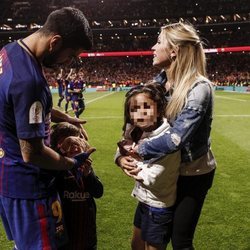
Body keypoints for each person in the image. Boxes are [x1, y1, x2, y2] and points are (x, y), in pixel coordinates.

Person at [0, 7, 95, 250]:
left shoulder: (10, 51)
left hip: (7, 177)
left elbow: (14, 107)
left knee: (24, 245)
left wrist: (65, 117)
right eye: (72, 55)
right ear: (55, 42)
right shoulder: (28, 81)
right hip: (29, 186)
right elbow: (32, 153)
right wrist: (72, 164)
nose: (70, 61)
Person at [117, 22, 216, 250]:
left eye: (159, 42)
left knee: (180, 242)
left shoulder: (199, 88)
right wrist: (121, 156)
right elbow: (135, 125)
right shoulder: (158, 83)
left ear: (174, 51)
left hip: (192, 173)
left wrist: (137, 151)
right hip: (163, 172)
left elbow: (175, 139)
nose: (153, 46)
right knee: (142, 240)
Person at [115, 83, 181, 250]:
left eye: (146, 107)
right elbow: (120, 151)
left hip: (159, 206)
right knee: (136, 245)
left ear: (158, 110)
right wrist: (122, 160)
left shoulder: (167, 139)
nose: (141, 112)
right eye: (134, 109)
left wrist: (131, 165)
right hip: (144, 201)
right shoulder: (138, 131)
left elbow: (152, 178)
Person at [50, 122, 103, 250]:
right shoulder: (55, 169)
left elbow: (98, 192)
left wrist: (88, 174)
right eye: (68, 143)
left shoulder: (85, 167)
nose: (74, 147)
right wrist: (60, 155)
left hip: (86, 233)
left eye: (77, 141)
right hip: (65, 233)